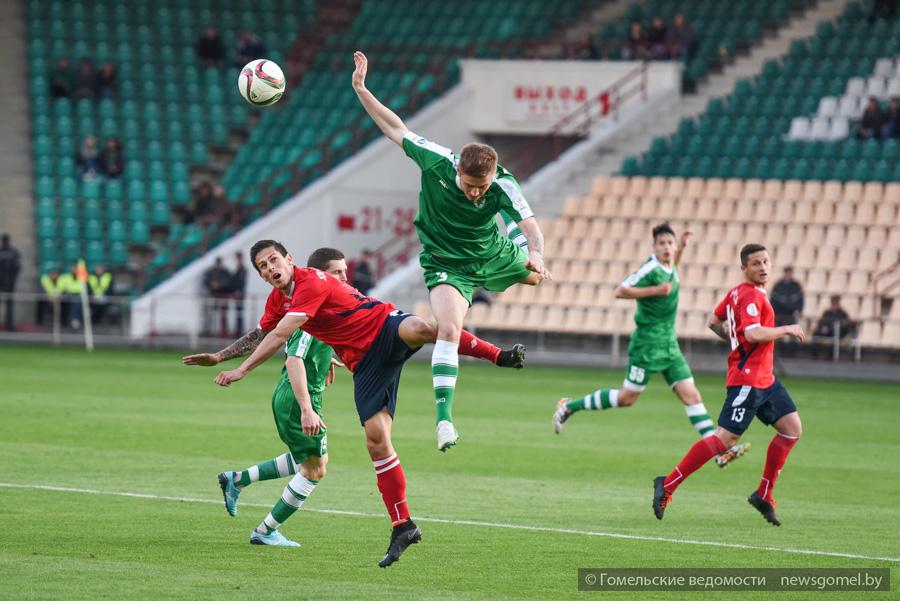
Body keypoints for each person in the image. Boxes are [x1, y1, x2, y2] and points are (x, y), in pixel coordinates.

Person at [183, 241, 526, 566]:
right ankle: (402, 525)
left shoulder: (312, 281)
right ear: (260, 275)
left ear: (290, 259)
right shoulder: (279, 301)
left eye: (274, 260)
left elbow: (279, 338)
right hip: (363, 365)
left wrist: (241, 370)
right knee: (377, 441)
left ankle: (499, 356)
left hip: (383, 327)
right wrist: (219, 356)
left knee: (424, 327)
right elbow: (261, 334)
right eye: (263, 266)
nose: (271, 268)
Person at [352, 50, 551, 451]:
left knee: (533, 276)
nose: (477, 191)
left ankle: (516, 257)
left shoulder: (502, 184)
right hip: (446, 263)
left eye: (483, 186)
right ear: (459, 168)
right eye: (470, 184)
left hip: (493, 252)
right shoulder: (437, 162)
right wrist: (361, 88)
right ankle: (444, 421)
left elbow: (531, 227)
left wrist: (538, 254)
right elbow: (396, 128)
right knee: (447, 328)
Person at [552, 224, 749, 467]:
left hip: (669, 346)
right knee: (627, 399)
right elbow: (620, 291)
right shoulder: (651, 269)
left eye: (670, 243)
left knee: (692, 396)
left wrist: (682, 249)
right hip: (646, 346)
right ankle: (570, 406)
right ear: (654, 247)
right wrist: (655, 290)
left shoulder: (670, 265)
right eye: (662, 244)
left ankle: (718, 451)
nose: (666, 247)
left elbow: (672, 268)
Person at [652, 244, 806, 526]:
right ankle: (668, 484)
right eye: (755, 263)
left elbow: (714, 322)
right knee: (724, 440)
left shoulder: (737, 292)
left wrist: (734, 340)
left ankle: (764, 494)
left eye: (766, 261)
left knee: (791, 430)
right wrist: (784, 329)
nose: (763, 267)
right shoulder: (749, 296)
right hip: (748, 381)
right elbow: (753, 332)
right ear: (744, 268)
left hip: (765, 379)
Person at [215, 248, 347, 547]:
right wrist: (306, 409)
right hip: (298, 397)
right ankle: (265, 531)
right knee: (315, 470)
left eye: (344, 271)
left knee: (310, 460)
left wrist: (325, 358)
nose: (344, 277)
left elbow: (315, 342)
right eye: (337, 272)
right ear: (323, 275)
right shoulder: (309, 304)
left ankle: (238, 479)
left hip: (296, 393)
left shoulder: (320, 301)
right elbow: (293, 357)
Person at [770, 266, 804, 357]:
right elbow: (773, 300)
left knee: (793, 333)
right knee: (777, 333)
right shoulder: (778, 285)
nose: (788, 275)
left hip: (790, 314)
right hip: (779, 314)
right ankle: (778, 351)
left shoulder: (796, 286)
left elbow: (800, 300)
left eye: (790, 273)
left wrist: (799, 311)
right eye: (787, 273)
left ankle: (792, 352)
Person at [203, 257, 232, 336]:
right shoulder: (211, 272)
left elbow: (228, 282)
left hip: (222, 296)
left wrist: (219, 285)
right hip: (213, 296)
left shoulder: (225, 272)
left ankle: (223, 332)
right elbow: (206, 281)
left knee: (223, 316)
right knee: (210, 315)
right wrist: (212, 285)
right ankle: (209, 331)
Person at [0, 234, 21, 331]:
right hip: (9, 282)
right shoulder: (14, 252)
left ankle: (9, 325)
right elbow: (17, 268)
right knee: (9, 305)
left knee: (9, 306)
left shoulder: (13, 252)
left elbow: (17, 268)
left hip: (6, 282)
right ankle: (9, 326)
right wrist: (11, 279)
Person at [230, 251, 248, 336]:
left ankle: (239, 332)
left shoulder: (242, 269)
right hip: (238, 293)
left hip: (240, 294)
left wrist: (238, 291)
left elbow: (241, 282)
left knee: (239, 313)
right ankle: (238, 331)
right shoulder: (239, 268)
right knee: (238, 313)